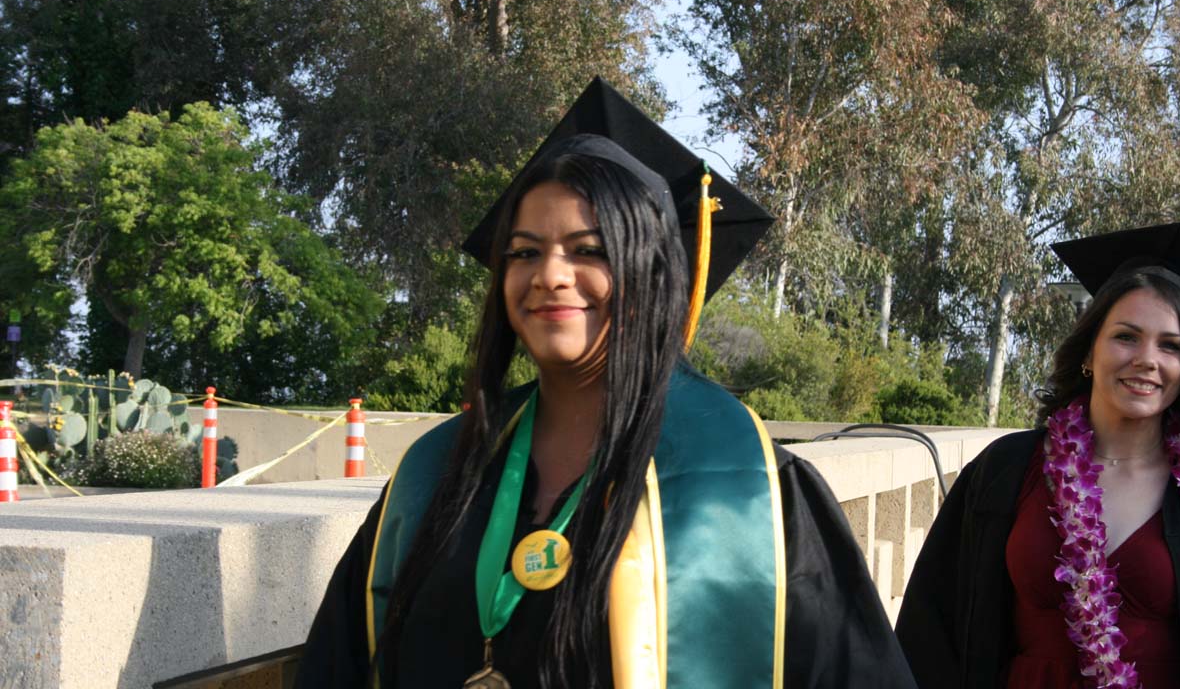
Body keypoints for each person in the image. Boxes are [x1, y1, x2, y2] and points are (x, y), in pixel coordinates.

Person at [296, 77, 915, 688]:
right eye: (524, 252)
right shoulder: (435, 476)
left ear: (654, 272)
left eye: (588, 249)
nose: (550, 276)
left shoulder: (750, 493)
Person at [896, 223, 1180, 688]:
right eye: (1126, 337)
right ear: (1089, 350)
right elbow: (931, 621)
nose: (1147, 359)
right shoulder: (1008, 469)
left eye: (1171, 345)